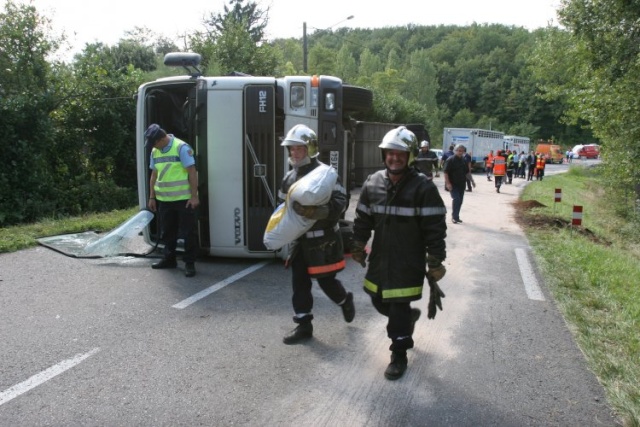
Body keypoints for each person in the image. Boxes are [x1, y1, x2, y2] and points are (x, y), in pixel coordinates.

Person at [350, 126, 447, 381]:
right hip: (380, 258)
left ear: (410, 156)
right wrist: (358, 244)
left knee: (396, 307)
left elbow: (435, 227)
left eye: (401, 154)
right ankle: (407, 318)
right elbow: (362, 218)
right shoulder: (373, 182)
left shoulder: (423, 188)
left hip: (408, 260)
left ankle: (399, 354)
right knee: (378, 300)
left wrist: (435, 260)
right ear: (384, 155)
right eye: (390, 153)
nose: (395, 158)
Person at [278, 124, 355, 345]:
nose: (294, 153)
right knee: (299, 282)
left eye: (299, 148)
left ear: (310, 148)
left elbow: (341, 201)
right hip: (300, 240)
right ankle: (304, 325)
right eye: (291, 149)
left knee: (326, 282)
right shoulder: (289, 178)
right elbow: (281, 206)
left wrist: (318, 211)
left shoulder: (326, 174)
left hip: (324, 240)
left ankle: (344, 300)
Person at [145, 123, 200, 277]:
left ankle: (189, 263)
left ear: (161, 139)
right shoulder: (155, 151)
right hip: (165, 200)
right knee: (168, 232)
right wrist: (152, 197)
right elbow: (154, 175)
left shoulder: (181, 147)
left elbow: (192, 172)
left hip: (184, 199)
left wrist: (194, 196)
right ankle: (169, 259)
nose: (153, 147)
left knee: (188, 233)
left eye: (154, 143)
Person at [443, 144, 468, 224]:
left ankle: (456, 217)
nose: (460, 152)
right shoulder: (450, 160)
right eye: (459, 151)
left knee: (460, 201)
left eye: (462, 151)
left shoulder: (463, 160)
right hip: (453, 184)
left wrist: (472, 181)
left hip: (461, 184)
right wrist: (448, 183)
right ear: (455, 151)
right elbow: (445, 172)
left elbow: (467, 172)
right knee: (456, 199)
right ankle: (454, 217)